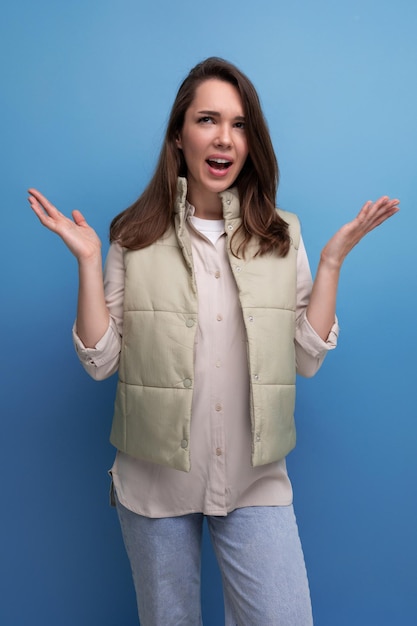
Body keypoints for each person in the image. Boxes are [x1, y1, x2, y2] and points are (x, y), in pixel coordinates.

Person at [28, 57, 399, 626]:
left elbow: (305, 358)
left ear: (252, 141)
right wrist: (86, 261)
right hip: (154, 479)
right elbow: (102, 363)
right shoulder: (133, 236)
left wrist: (329, 265)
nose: (225, 137)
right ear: (180, 135)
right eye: (208, 119)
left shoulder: (282, 234)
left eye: (240, 123)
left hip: (254, 476)